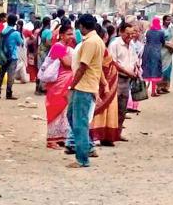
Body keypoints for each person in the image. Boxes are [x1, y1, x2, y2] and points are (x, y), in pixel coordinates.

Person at [66, 14, 104, 168]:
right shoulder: (95, 40)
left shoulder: (91, 42)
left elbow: (83, 66)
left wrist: (72, 85)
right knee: (72, 117)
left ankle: (82, 158)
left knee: (79, 122)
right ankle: (87, 146)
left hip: (84, 86)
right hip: (85, 85)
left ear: (82, 26)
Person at [44, 25, 76, 148]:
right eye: (68, 34)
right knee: (55, 109)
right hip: (58, 83)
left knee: (64, 111)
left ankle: (61, 136)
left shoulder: (67, 47)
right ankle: (51, 139)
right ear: (61, 35)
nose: (71, 36)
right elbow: (67, 63)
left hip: (66, 82)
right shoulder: (58, 46)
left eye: (72, 34)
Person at [89, 25, 120, 146]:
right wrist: (105, 84)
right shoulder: (100, 48)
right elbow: (100, 66)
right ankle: (98, 135)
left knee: (106, 109)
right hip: (104, 82)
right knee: (100, 108)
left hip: (106, 81)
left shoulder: (98, 47)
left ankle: (105, 136)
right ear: (105, 36)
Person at [108, 21, 137, 141]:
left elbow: (134, 59)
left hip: (127, 80)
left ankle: (118, 133)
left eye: (132, 34)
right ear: (120, 32)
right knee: (113, 107)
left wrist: (136, 69)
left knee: (122, 108)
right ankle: (111, 134)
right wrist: (127, 71)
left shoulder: (132, 45)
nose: (130, 36)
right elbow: (112, 62)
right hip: (117, 78)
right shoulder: (115, 44)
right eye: (127, 34)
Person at [0, 14, 24, 99]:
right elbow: (20, 43)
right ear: (15, 22)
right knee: (10, 75)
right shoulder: (16, 33)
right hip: (12, 56)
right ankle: (9, 93)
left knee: (1, 74)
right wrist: (19, 31)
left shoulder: (3, 31)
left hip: (3, 55)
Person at [141, 16, 166, 97]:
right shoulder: (161, 32)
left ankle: (143, 90)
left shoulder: (148, 31)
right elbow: (163, 42)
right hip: (156, 52)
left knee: (147, 69)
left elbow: (147, 40)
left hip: (147, 51)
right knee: (155, 71)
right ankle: (153, 91)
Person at [157, 15, 173, 94]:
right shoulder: (160, 30)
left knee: (168, 70)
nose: (169, 22)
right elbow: (159, 41)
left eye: (170, 20)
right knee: (162, 70)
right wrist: (168, 46)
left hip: (169, 52)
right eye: (167, 20)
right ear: (164, 21)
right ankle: (159, 87)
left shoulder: (170, 29)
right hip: (162, 51)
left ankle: (165, 87)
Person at [36, 17, 53, 95]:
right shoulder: (48, 32)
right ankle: (42, 88)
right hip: (45, 52)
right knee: (44, 69)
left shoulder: (41, 31)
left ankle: (37, 87)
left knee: (40, 69)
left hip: (40, 50)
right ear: (49, 22)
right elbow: (48, 42)